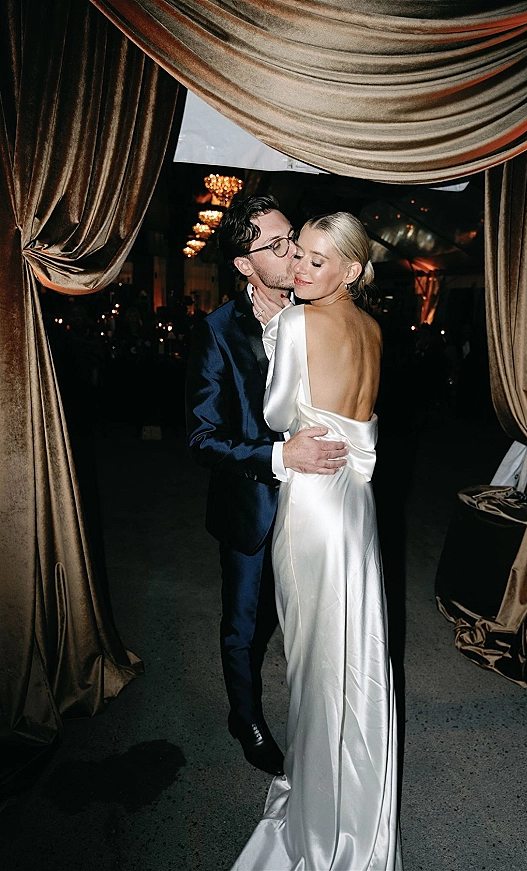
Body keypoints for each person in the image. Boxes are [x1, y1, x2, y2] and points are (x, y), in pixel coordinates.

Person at [231, 213, 403, 870]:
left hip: (312, 504)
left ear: (353, 269)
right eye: (297, 255)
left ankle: (316, 816)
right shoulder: (374, 328)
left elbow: (279, 414)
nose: (299, 270)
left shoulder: (299, 323)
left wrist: (276, 335)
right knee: (352, 651)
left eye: (316, 261)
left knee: (313, 664)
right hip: (355, 505)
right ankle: (351, 800)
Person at [186, 196, 349, 777]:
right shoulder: (217, 332)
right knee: (245, 623)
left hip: (322, 505)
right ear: (243, 264)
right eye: (277, 246)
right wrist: (282, 455)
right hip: (252, 506)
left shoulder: (324, 314)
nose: (293, 255)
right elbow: (202, 438)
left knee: (316, 616)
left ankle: (324, 714)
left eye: (294, 242)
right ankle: (245, 716)